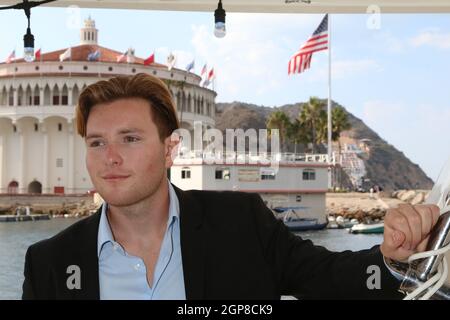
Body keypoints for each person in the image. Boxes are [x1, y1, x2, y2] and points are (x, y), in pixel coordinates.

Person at [22, 73, 440, 300]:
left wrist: (393, 259)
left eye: (130, 139)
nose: (109, 157)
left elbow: (332, 278)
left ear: (170, 150)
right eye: (97, 142)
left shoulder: (240, 224)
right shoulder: (49, 265)